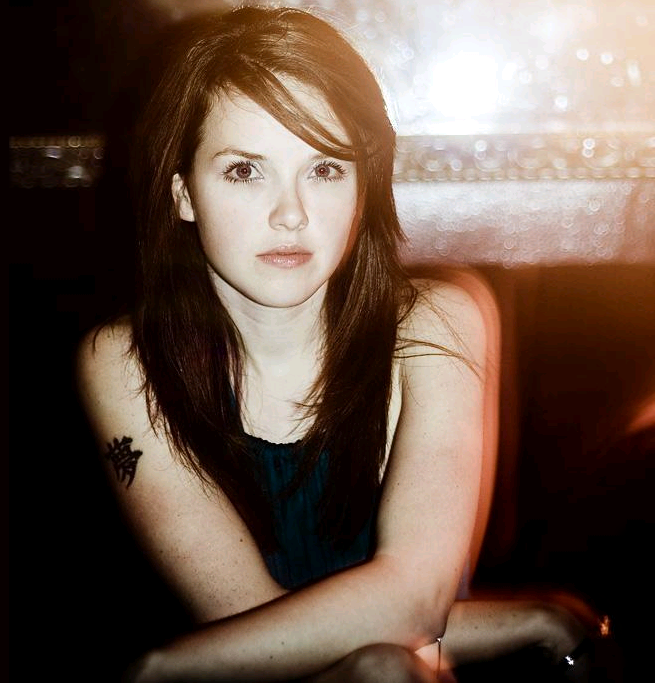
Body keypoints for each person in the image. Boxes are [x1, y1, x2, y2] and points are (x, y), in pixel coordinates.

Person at [76, 6, 605, 682]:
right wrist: (530, 618)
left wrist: (159, 666)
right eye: (244, 171)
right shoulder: (126, 362)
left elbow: (416, 598)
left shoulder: (434, 324)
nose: (290, 213)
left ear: (363, 186)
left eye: (324, 169)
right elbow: (257, 637)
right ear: (183, 193)